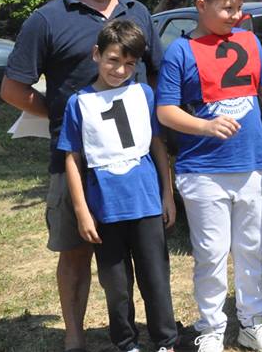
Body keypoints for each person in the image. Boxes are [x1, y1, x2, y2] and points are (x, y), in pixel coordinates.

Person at [1, 0, 163, 352]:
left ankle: (150, 331)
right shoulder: (47, 20)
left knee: (141, 253)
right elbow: (13, 89)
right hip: (75, 160)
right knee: (76, 250)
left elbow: (156, 73)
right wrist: (66, 115)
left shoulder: (137, 11)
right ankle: (74, 336)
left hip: (135, 163)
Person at [155, 0, 262, 352]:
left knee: (250, 250)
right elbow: (166, 111)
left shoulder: (249, 41)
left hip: (252, 165)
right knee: (210, 254)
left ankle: (253, 322)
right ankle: (210, 327)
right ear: (201, 5)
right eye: (227, 8)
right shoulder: (180, 50)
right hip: (203, 170)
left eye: (239, 7)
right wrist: (206, 126)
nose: (236, 15)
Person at [58, 21, 178, 352]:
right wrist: (82, 211)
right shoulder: (79, 103)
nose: (120, 70)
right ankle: (126, 342)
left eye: (129, 63)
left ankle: (166, 341)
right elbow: (72, 159)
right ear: (97, 54)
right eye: (113, 60)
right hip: (106, 208)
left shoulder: (144, 94)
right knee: (116, 285)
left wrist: (167, 194)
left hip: (146, 203)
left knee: (155, 279)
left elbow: (157, 145)